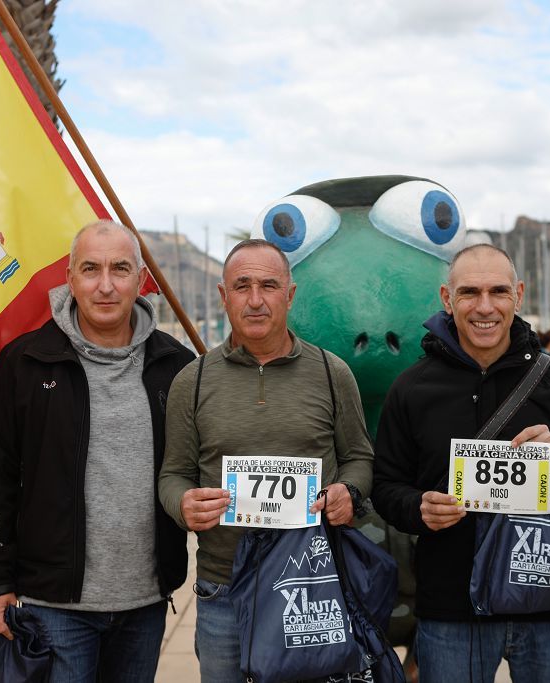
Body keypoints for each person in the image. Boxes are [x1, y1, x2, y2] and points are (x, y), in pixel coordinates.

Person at [371, 244, 550, 683]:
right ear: (447, 299)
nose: (484, 307)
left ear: (519, 295)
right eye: (469, 292)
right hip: (452, 614)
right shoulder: (412, 388)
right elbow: (386, 487)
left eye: (498, 292)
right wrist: (419, 509)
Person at [0, 220, 194, 682]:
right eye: (90, 269)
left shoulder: (176, 366)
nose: (106, 285)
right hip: (52, 606)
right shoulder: (26, 363)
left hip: (145, 602)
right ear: (70, 279)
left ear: (141, 280)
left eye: (120, 269)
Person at [159, 239, 374, 682]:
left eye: (269, 285)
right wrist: (182, 504)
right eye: (242, 286)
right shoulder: (192, 381)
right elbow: (173, 473)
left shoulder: (332, 374)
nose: (255, 300)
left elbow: (359, 459)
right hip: (222, 592)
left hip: (312, 588)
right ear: (224, 296)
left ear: (290, 295)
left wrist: (348, 493)